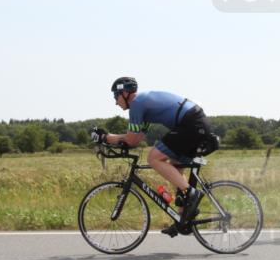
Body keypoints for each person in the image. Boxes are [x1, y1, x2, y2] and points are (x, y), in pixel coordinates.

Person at [90, 77, 217, 237]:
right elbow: (136, 139)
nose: (116, 102)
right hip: (195, 123)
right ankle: (183, 219)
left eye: (116, 96)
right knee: (176, 166)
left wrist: (105, 137)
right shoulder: (144, 105)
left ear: (125, 93)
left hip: (190, 124)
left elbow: (130, 139)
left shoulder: (137, 104)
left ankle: (191, 192)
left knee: (154, 158)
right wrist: (110, 138)